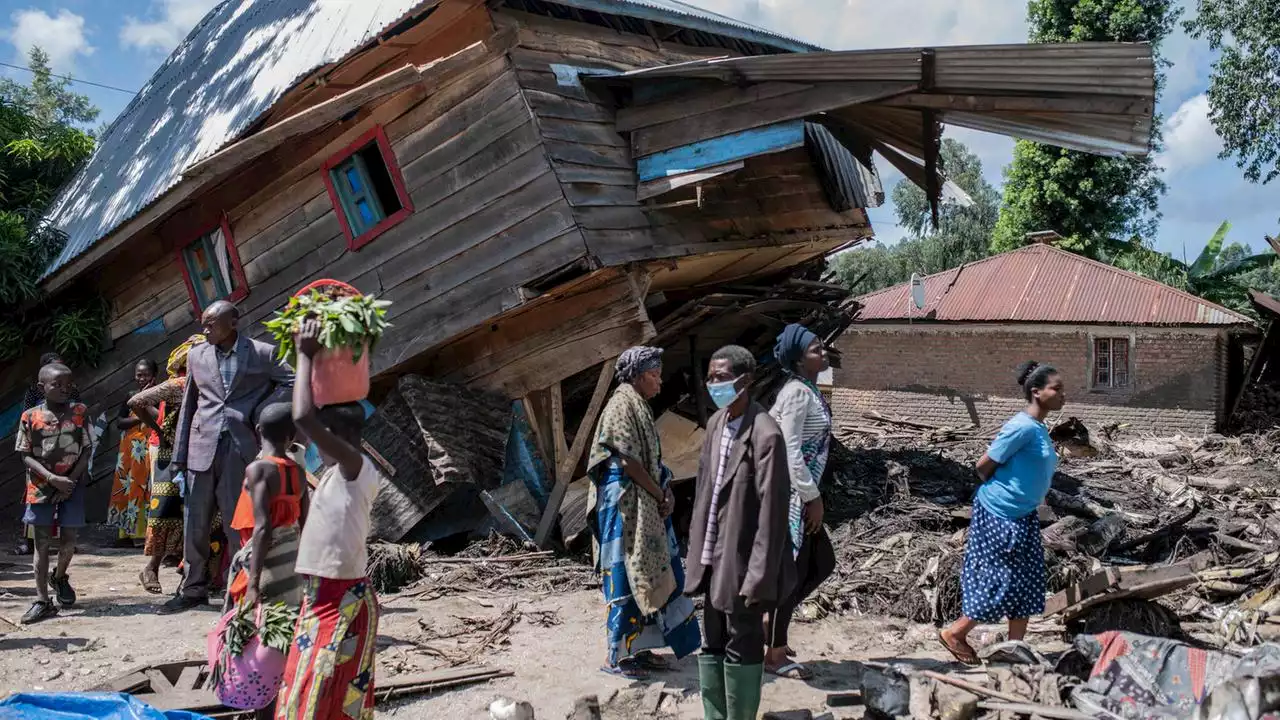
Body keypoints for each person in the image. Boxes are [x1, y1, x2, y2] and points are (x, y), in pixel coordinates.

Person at [278, 317, 380, 720]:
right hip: (321, 594)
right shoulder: (338, 475)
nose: (313, 440)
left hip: (342, 600)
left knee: (326, 688)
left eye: (323, 435)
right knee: (311, 686)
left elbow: (302, 417)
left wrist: (304, 355)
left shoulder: (358, 468)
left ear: (338, 436)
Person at [686, 345, 795, 720]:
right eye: (710, 377)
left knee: (743, 643)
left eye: (719, 378)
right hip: (712, 557)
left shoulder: (766, 435)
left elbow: (773, 514)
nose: (711, 384)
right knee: (712, 640)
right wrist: (696, 553)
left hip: (744, 563)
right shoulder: (717, 424)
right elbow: (704, 492)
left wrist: (759, 577)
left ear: (744, 381)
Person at [163, 301, 293, 614]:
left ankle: (238, 590)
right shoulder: (196, 355)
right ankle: (193, 588)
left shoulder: (262, 353)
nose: (205, 330)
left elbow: (289, 382)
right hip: (201, 447)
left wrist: (262, 412)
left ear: (233, 322)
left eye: (211, 324)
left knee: (239, 523)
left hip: (241, 446)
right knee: (195, 521)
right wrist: (179, 458)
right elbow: (190, 404)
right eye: (203, 323)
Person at [939, 361, 1065, 665]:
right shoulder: (1020, 427)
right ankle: (955, 633)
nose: (1063, 395)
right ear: (1036, 392)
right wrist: (1006, 494)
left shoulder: (1038, 428)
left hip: (1022, 515)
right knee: (1001, 579)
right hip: (1000, 514)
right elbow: (984, 466)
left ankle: (1014, 649)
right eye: (1056, 389)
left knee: (1027, 580)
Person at [587, 345, 701, 679]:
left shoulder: (639, 405)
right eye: (654, 375)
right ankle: (616, 657)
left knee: (650, 575)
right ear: (637, 376)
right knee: (626, 575)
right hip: (624, 508)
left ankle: (639, 650)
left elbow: (651, 462)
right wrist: (657, 492)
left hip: (644, 503)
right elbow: (627, 461)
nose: (660, 382)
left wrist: (666, 492)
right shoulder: (622, 405)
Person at [765, 324, 837, 680]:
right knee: (790, 575)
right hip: (791, 496)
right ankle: (775, 655)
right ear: (797, 359)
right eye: (815, 349)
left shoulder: (809, 390)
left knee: (821, 562)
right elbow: (790, 448)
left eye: (822, 348)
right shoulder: (796, 392)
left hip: (800, 493)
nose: (822, 353)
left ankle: (771, 625)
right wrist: (813, 497)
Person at [15, 363, 92, 624]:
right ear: (41, 387)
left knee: (69, 541)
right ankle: (41, 600)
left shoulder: (80, 412)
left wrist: (68, 480)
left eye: (67, 385)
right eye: (56, 385)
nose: (63, 389)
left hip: (72, 484)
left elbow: (86, 450)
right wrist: (52, 479)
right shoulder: (30, 416)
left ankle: (59, 577)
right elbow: (25, 455)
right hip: (41, 486)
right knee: (42, 544)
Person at [225, 402, 308, 612]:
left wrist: (253, 583)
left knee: (253, 623)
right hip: (288, 558)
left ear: (258, 430)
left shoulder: (259, 469)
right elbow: (305, 522)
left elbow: (262, 527)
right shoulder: (298, 471)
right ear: (292, 435)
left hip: (262, 561)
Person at [18, 352, 82, 556]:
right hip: (41, 462)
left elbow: (78, 422)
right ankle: (30, 541)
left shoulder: (74, 398)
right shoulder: (32, 398)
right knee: (36, 506)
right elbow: (28, 425)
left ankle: (66, 543)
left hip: (68, 459)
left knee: (68, 511)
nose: (64, 385)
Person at [108, 359, 158, 545]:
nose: (141, 378)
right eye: (139, 374)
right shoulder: (131, 396)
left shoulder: (159, 395)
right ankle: (126, 535)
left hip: (149, 449)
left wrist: (144, 406)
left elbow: (160, 418)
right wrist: (139, 415)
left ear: (154, 376)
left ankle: (146, 535)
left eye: (145, 374)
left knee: (147, 489)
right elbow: (120, 422)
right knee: (128, 489)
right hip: (129, 451)